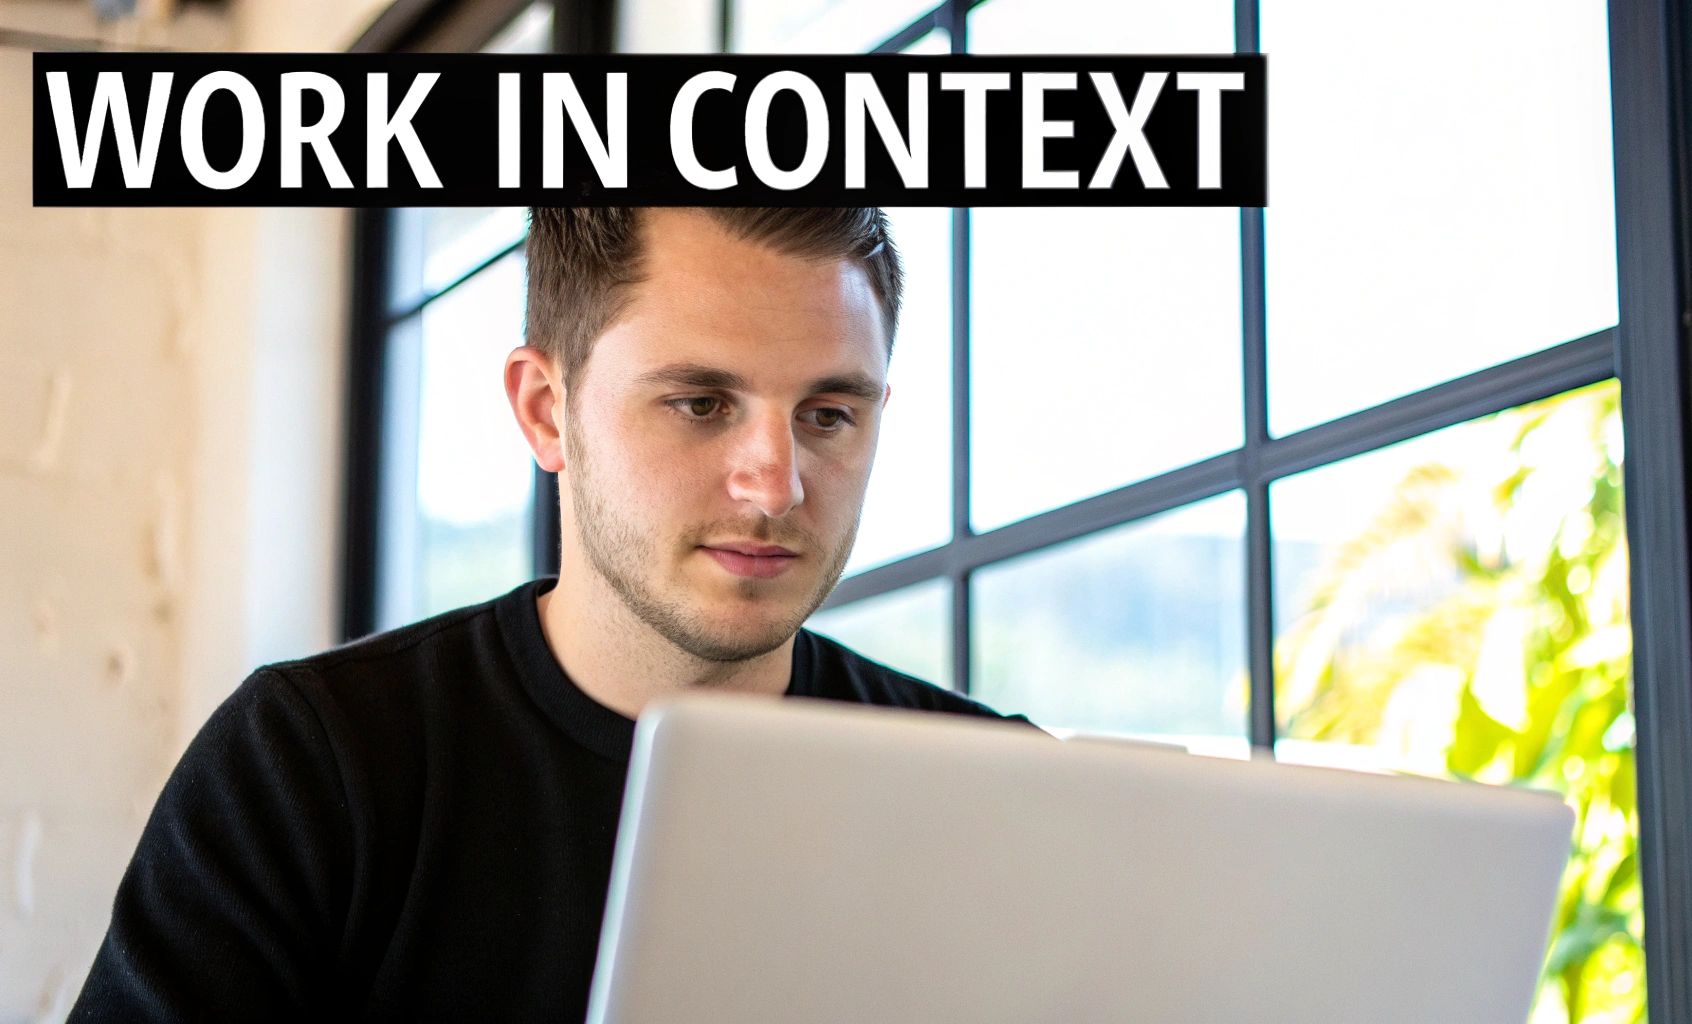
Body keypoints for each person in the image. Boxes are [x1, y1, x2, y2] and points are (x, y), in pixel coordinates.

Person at [71, 207, 1032, 1021]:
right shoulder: (314, 762)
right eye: (701, 403)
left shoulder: (1004, 791)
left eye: (829, 415)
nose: (776, 485)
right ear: (544, 410)